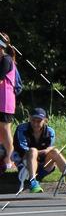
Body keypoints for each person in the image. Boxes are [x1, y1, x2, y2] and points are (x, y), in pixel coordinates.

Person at [12, 107, 66, 193]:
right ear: (29, 118)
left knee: (55, 152)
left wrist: (48, 150)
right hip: (26, 165)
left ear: (45, 121)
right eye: (33, 120)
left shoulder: (50, 131)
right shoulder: (21, 129)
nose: (35, 124)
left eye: (39, 121)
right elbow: (23, 149)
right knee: (33, 150)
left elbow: (49, 151)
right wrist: (44, 151)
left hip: (43, 166)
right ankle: (33, 181)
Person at [0, 32, 19, 172]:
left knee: (6, 129)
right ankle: (4, 159)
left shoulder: (6, 59)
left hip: (5, 100)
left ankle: (11, 160)